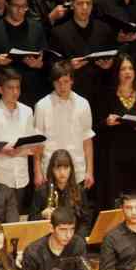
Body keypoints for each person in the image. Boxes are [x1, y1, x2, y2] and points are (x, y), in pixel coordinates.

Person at [48, 0, 116, 116]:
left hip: (99, 93)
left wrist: (109, 64)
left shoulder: (104, 29)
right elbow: (52, 65)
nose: (85, 7)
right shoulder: (59, 32)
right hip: (71, 93)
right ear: (72, 5)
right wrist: (68, 66)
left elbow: (113, 57)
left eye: (88, 3)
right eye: (80, 3)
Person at [98, 52, 136, 208]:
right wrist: (107, 121)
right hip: (114, 152)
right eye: (123, 69)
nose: (127, 72)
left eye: (130, 68)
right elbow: (96, 123)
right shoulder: (107, 94)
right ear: (117, 72)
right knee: (116, 195)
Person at [0, 0, 50, 108]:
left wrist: (39, 64)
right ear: (7, 4)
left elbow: (46, 60)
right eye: (16, 6)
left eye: (24, 6)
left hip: (32, 91)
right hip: (4, 94)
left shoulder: (36, 28)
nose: (20, 10)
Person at [0, 67, 40, 212]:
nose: (15, 92)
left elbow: (33, 144)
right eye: (10, 88)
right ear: (0, 90)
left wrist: (20, 150)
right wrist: (3, 150)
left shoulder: (27, 111)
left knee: (16, 216)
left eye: (17, 88)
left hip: (21, 176)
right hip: (0, 177)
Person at [33, 61, 95, 189]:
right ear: (53, 83)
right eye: (58, 82)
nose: (62, 86)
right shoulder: (42, 105)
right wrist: (37, 171)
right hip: (50, 171)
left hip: (77, 170)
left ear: (72, 81)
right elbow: (37, 143)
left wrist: (89, 171)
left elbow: (87, 140)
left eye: (66, 81)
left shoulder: (83, 104)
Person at [18, 206, 89, 270]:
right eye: (63, 230)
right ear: (51, 228)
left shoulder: (78, 244)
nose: (68, 235)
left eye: (72, 229)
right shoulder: (34, 251)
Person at [29, 149, 93, 238]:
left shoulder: (79, 191)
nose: (62, 172)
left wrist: (76, 238)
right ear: (52, 169)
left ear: (71, 169)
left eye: (66, 168)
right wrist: (42, 214)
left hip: (73, 238)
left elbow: (86, 221)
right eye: (58, 168)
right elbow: (30, 222)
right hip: (48, 239)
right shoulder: (41, 191)